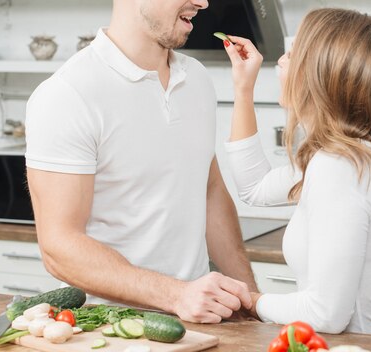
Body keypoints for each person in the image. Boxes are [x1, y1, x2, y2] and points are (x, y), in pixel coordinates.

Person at [24, 0, 258, 324]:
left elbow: (210, 193)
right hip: (108, 329)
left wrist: (250, 302)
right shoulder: (68, 94)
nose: (203, 2)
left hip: (200, 322)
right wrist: (177, 295)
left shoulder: (197, 80)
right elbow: (59, 247)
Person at [221, 8, 371, 336]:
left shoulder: (340, 167)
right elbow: (255, 188)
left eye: (293, 53)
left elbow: (326, 314)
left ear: (322, 74)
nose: (282, 62)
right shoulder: (342, 155)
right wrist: (243, 90)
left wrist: (251, 301)